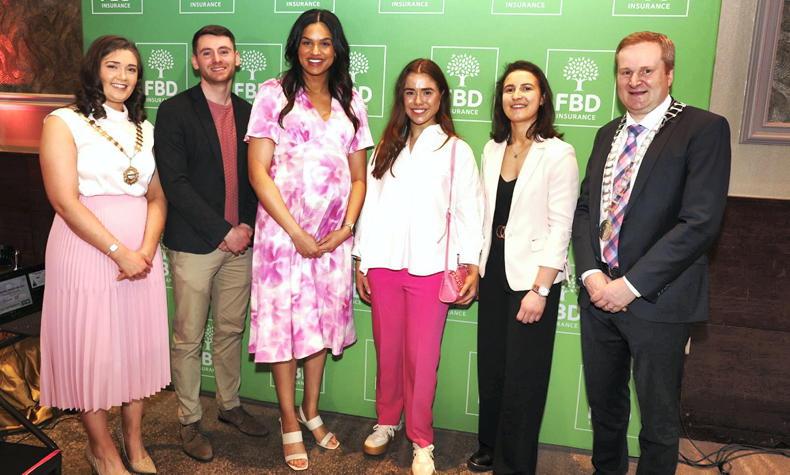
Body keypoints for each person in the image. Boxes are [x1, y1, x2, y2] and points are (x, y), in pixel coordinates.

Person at [572, 31, 731, 474]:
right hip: (598, 297)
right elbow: (585, 209)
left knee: (659, 423)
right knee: (605, 410)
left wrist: (631, 285)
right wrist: (590, 275)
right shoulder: (607, 133)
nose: (635, 81)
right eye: (625, 72)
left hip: (659, 301)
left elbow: (700, 223)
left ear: (669, 73)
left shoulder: (703, 129)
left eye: (646, 70)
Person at [245, 9, 373, 471]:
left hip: (332, 242)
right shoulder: (273, 94)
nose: (315, 51)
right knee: (284, 329)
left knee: (319, 326)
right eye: (307, 42)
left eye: (324, 42)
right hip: (283, 240)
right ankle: (288, 420)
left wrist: (346, 228)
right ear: (295, 47)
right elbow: (258, 172)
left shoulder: (351, 101)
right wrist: (296, 232)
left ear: (337, 48)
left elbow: (358, 178)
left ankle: (311, 409)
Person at [39, 35, 169, 475]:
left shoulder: (145, 129)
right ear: (94, 69)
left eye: (131, 69)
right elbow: (64, 200)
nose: (122, 76)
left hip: (141, 253)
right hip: (86, 248)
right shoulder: (63, 121)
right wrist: (118, 251)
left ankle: (134, 441)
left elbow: (157, 196)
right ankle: (102, 449)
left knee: (136, 347)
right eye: (113, 66)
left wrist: (145, 249)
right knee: (90, 349)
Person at [353, 58, 484, 475]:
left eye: (427, 92)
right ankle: (387, 421)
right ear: (401, 97)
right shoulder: (386, 147)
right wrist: (362, 259)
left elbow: (469, 212)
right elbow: (369, 208)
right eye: (410, 92)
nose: (418, 100)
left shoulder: (456, 150)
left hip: (431, 270)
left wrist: (471, 264)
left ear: (441, 96)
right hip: (384, 266)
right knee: (388, 351)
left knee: (422, 360)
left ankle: (422, 440)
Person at [154, 25, 267, 463]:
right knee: (188, 337)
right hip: (196, 243)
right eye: (207, 53)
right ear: (195, 61)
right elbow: (175, 183)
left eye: (224, 51)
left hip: (242, 243)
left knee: (231, 329)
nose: (216, 59)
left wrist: (247, 226)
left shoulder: (250, 113)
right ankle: (188, 419)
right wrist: (224, 230)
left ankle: (229, 405)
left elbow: (259, 177)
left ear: (237, 58)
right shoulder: (174, 111)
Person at [467, 61, 579, 474]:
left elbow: (561, 226)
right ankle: (490, 445)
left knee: (524, 377)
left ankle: (515, 464)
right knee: (492, 367)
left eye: (527, 88)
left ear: (542, 96)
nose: (517, 96)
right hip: (494, 269)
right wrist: (474, 266)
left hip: (533, 278)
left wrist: (541, 289)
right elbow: (483, 214)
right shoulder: (492, 149)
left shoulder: (558, 153)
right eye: (510, 88)